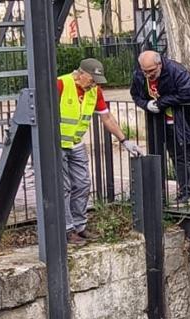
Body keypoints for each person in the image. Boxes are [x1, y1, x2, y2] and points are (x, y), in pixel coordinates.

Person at [59, 58, 142, 245]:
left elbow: (107, 117)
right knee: (63, 188)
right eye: (92, 79)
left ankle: (79, 226)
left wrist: (124, 140)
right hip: (57, 144)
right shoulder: (61, 84)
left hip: (75, 143)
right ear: (81, 74)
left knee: (82, 184)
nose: (94, 84)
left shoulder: (94, 91)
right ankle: (66, 230)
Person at [131, 50, 190, 209]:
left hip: (186, 121)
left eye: (151, 71)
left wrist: (161, 102)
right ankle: (185, 193)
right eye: (145, 71)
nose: (148, 75)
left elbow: (189, 94)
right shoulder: (140, 75)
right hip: (161, 123)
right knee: (177, 158)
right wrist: (146, 105)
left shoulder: (177, 71)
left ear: (159, 64)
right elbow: (135, 95)